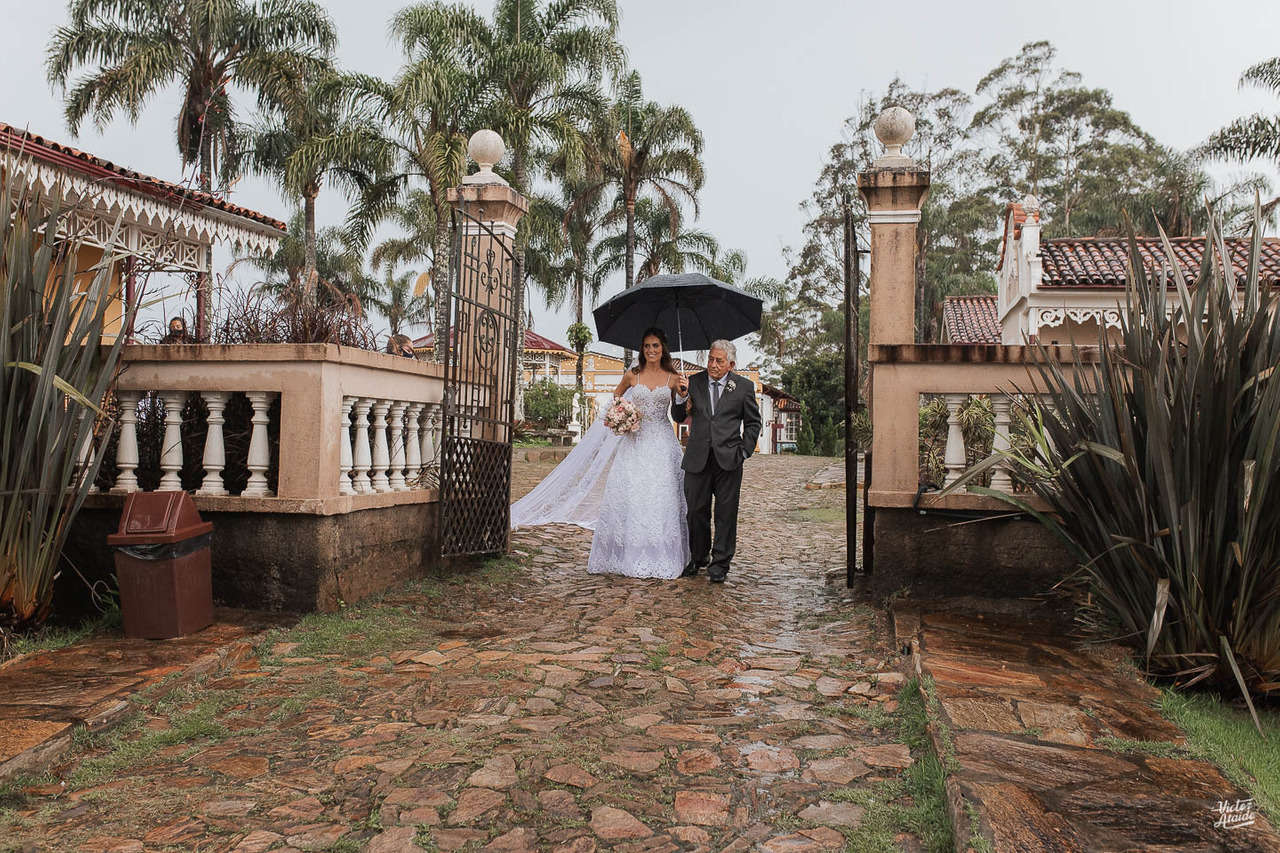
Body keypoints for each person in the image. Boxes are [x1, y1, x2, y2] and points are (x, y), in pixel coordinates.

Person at [585, 327, 690, 578]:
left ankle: (663, 552)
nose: (651, 350)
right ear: (641, 349)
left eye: (655, 346)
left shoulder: (674, 377)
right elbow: (616, 397)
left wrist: (683, 394)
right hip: (635, 442)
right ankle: (628, 552)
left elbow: (680, 412)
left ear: (663, 348)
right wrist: (623, 414)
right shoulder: (633, 374)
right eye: (646, 346)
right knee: (632, 494)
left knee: (661, 495)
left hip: (663, 443)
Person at [671, 339, 762, 583]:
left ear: (731, 364)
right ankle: (698, 557)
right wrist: (680, 396)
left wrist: (744, 451)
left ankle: (720, 564)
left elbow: (754, 423)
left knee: (726, 513)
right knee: (696, 512)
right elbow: (678, 417)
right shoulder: (694, 382)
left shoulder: (743, 387)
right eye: (710, 359)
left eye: (718, 361)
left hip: (729, 460)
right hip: (697, 459)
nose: (712, 364)